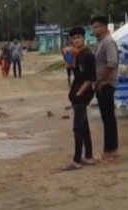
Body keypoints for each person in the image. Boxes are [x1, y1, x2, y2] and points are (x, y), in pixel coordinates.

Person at [63, 26, 96, 171]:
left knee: (78, 127)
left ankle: (77, 160)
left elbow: (90, 78)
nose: (76, 40)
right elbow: (74, 70)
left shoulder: (88, 55)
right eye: (74, 38)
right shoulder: (78, 54)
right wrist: (68, 60)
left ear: (84, 38)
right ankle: (88, 156)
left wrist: (80, 93)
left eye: (78, 38)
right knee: (84, 125)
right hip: (77, 91)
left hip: (82, 93)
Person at [91, 16, 120, 162]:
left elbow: (112, 63)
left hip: (107, 83)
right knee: (106, 117)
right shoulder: (101, 42)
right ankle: (111, 149)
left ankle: (110, 150)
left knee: (108, 118)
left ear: (103, 27)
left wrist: (101, 79)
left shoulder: (108, 42)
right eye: (92, 27)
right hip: (102, 83)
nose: (93, 30)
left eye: (96, 27)